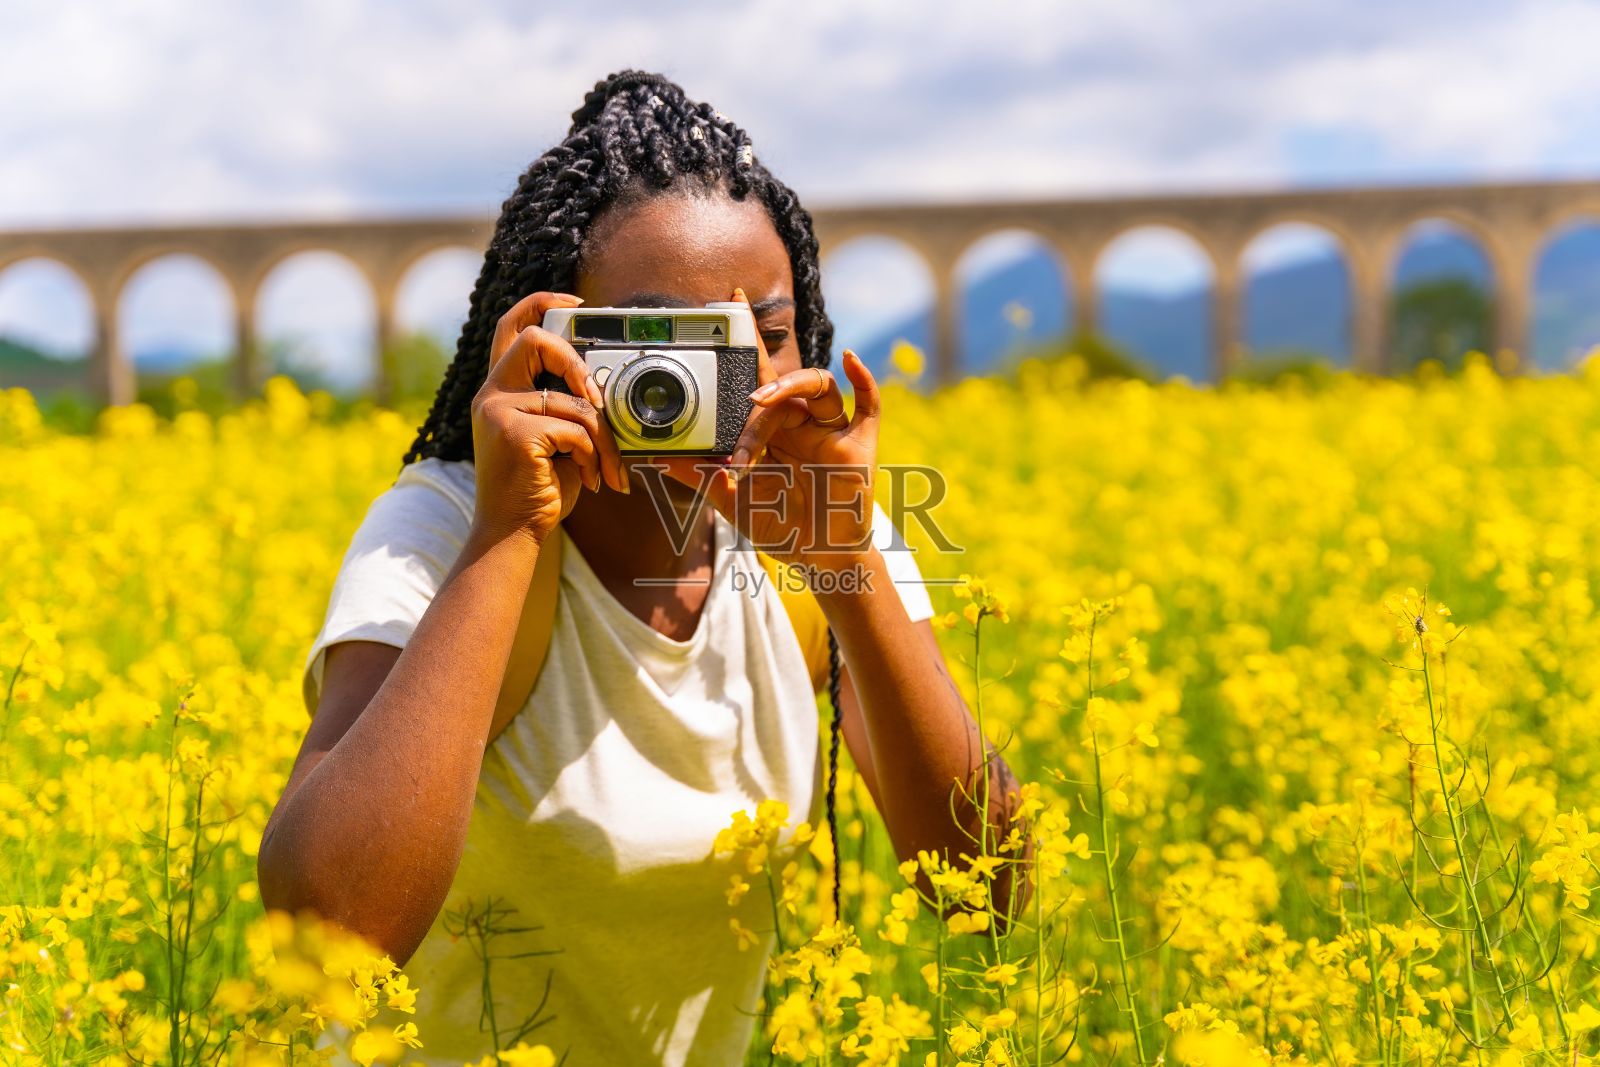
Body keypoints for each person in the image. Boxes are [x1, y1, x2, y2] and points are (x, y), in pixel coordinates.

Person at [257, 69, 1027, 1066]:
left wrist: (846, 563)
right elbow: (329, 940)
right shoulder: (447, 525)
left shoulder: (814, 528)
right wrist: (509, 533)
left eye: (767, 331)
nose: (727, 376)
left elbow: (991, 893)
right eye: (667, 339)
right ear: (550, 340)